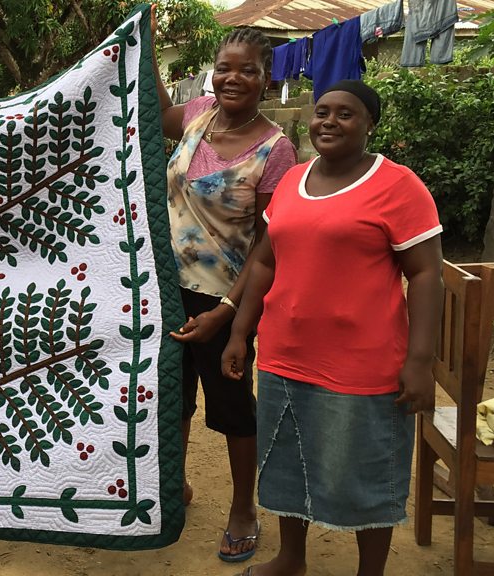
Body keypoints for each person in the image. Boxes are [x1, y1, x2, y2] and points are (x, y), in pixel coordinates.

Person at [221, 80, 443, 576]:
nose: (329, 121)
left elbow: (427, 274)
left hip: (362, 365)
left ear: (370, 125)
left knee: (367, 472)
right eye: (323, 111)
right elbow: (265, 262)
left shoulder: (398, 185)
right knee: (286, 463)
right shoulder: (292, 180)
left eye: (346, 114)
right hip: (284, 356)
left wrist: (420, 361)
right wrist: (240, 332)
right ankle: (291, 558)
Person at [154, 24, 297, 562]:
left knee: (233, 406)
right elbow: (157, 113)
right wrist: (144, 40)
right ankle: (176, 486)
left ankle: (243, 509)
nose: (232, 78)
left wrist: (230, 313)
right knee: (173, 397)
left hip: (223, 300)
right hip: (164, 290)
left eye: (247, 70)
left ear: (266, 78)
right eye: (224, 68)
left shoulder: (276, 151)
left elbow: (268, 245)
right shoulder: (198, 114)